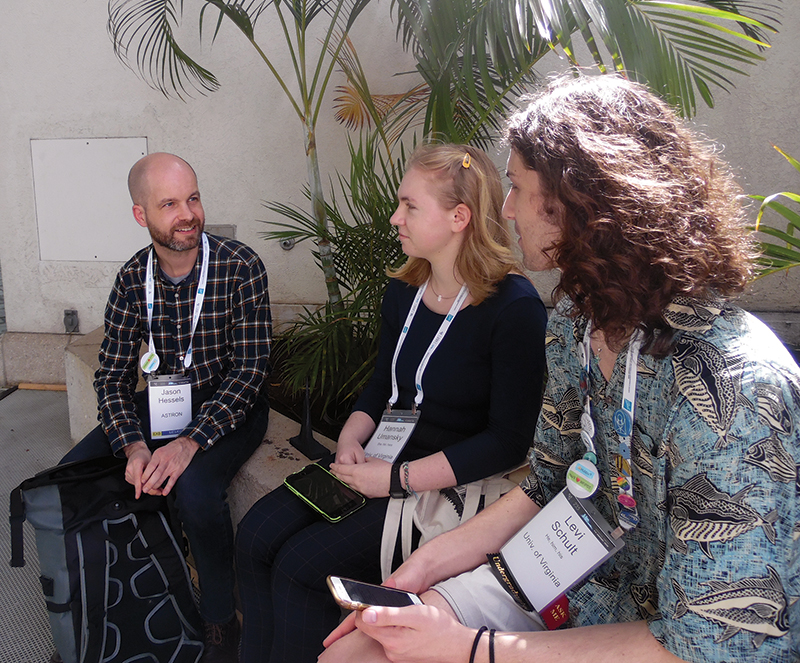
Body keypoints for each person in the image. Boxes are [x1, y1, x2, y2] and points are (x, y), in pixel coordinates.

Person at [320, 75, 800, 663]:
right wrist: (424, 569)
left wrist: (472, 647)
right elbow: (549, 478)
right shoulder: (576, 316)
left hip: (662, 642)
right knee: (357, 653)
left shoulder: (733, 390)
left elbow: (710, 645)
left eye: (517, 187)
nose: (505, 209)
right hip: (574, 584)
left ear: (581, 201)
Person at [235, 144, 548, 662]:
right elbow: (384, 385)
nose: (394, 217)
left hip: (439, 490)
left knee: (302, 567)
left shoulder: (513, 309)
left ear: (458, 217)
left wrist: (397, 479)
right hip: (376, 464)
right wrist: (353, 436)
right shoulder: (404, 289)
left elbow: (509, 443)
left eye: (409, 206)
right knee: (254, 535)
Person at [61, 152, 272, 663]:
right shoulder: (133, 279)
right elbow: (111, 375)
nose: (188, 214)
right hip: (162, 401)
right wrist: (131, 444)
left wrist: (189, 443)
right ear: (142, 216)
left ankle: (220, 623)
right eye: (170, 203)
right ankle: (117, 604)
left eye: (193, 198)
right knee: (73, 474)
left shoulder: (240, 268)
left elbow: (250, 373)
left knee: (198, 491)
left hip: (230, 404)